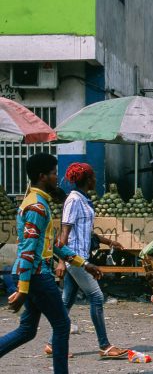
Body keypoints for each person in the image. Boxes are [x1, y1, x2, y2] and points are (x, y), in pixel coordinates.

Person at [0, 154, 103, 374]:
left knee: (27, 330)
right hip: (36, 275)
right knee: (62, 325)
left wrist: (84, 264)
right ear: (42, 176)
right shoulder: (37, 207)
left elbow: (54, 244)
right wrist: (23, 290)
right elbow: (28, 250)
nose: (58, 177)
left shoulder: (39, 203)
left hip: (31, 274)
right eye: (54, 173)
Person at [46, 163, 129, 359]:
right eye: (93, 177)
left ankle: (52, 344)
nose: (96, 180)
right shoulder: (74, 200)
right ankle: (105, 346)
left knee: (66, 301)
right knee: (97, 297)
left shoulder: (83, 199)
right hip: (75, 259)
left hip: (81, 256)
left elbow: (85, 231)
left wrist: (109, 241)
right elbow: (64, 232)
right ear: (88, 179)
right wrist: (61, 261)